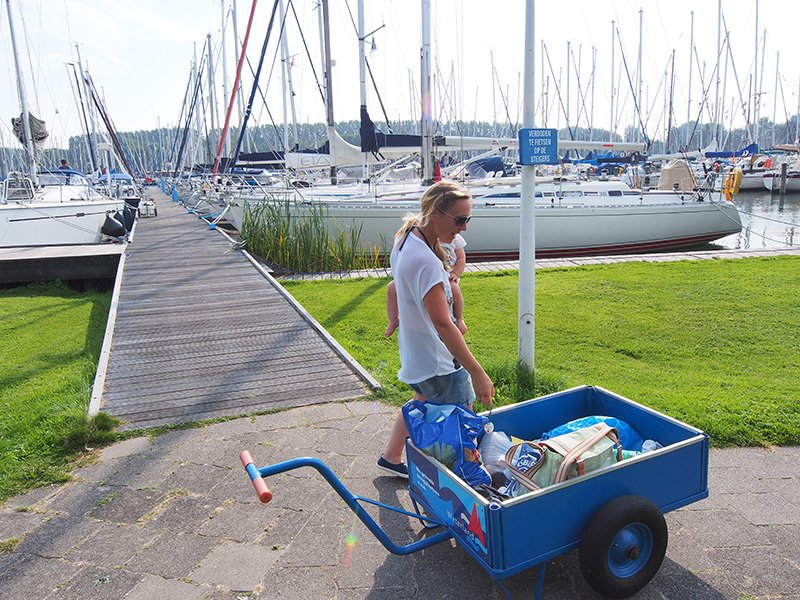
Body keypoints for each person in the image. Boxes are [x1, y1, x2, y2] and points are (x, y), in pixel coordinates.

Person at [377, 180, 495, 478]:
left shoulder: (405, 238)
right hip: (439, 362)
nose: (464, 228)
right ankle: (461, 485)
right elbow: (443, 323)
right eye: (459, 219)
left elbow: (396, 286)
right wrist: (478, 373)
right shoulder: (426, 261)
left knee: (422, 402)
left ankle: (391, 457)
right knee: (462, 421)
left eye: (468, 219)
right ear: (435, 215)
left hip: (417, 355)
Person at [384, 232, 467, 337]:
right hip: (426, 275)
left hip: (448, 276)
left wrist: (456, 273)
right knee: (392, 286)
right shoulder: (427, 237)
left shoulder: (456, 239)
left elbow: (461, 258)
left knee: (454, 288)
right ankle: (393, 319)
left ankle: (459, 318)